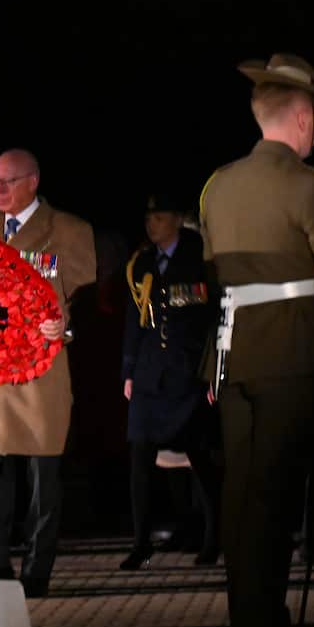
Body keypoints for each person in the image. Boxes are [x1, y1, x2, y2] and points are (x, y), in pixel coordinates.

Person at [198, 53, 314, 627]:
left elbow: (215, 272)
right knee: (274, 500)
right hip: (292, 358)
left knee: (241, 498)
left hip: (231, 352)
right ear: (301, 118)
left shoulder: (219, 185)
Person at [0, 148, 97, 597]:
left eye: (8, 182)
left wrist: (67, 324)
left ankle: (37, 571)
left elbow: (87, 300)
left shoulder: (69, 231)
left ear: (33, 181)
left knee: (43, 476)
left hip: (41, 372)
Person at [119, 193, 221, 570]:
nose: (152, 224)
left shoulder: (201, 258)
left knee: (201, 459)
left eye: (160, 217)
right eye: (149, 217)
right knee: (140, 459)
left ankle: (214, 537)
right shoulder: (142, 262)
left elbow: (214, 318)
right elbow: (135, 319)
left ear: (178, 219)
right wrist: (128, 370)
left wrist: (215, 371)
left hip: (188, 374)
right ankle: (140, 542)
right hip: (150, 373)